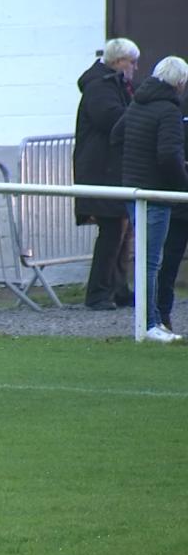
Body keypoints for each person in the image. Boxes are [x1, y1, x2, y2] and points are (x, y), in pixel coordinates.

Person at [115, 56, 188, 342]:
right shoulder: (169, 110)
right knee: (151, 262)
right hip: (155, 193)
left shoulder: (138, 102)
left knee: (147, 261)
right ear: (180, 83)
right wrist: (182, 185)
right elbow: (169, 155)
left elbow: (116, 134)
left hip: (133, 190)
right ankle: (150, 325)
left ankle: (151, 322)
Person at [74, 38, 139, 310]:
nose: (135, 67)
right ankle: (98, 293)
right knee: (112, 231)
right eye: (132, 62)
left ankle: (119, 289)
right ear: (118, 61)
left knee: (121, 231)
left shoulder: (109, 84)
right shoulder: (101, 87)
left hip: (109, 169)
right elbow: (111, 120)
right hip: (102, 171)